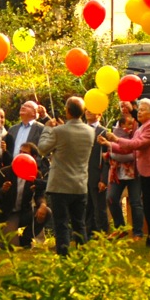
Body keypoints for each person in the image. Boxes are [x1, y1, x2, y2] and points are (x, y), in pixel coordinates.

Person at [102, 99, 150, 246]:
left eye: (143, 109)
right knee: (149, 207)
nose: (139, 112)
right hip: (147, 172)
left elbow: (137, 144)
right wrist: (109, 144)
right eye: (139, 109)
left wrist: (116, 138)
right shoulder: (141, 128)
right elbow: (129, 149)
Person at [37, 97, 95, 256]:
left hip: (60, 185)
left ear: (67, 111)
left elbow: (42, 149)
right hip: (80, 185)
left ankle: (63, 256)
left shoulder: (58, 131)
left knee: (61, 223)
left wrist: (47, 129)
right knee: (79, 223)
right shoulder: (90, 131)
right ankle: (84, 256)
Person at [0, 142, 47, 249]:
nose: (21, 155)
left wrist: (43, 205)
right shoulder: (6, 172)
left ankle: (26, 239)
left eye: (25, 153)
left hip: (23, 213)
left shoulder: (36, 174)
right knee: (11, 247)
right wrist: (2, 190)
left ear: (34, 157)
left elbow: (39, 195)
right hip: (7, 214)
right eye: (20, 152)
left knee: (47, 212)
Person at [104, 113, 145, 241]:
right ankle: (120, 228)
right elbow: (116, 155)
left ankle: (137, 232)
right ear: (121, 125)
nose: (131, 127)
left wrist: (117, 152)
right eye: (128, 124)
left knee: (136, 202)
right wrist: (120, 152)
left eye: (132, 124)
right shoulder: (113, 135)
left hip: (134, 173)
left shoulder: (137, 133)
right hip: (117, 173)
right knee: (111, 198)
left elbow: (135, 153)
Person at [84, 109, 110, 237]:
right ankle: (88, 235)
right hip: (82, 176)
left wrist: (104, 179)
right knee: (86, 207)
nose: (88, 112)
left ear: (99, 114)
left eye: (92, 109)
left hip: (96, 175)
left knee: (99, 208)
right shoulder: (81, 130)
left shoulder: (104, 132)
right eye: (86, 109)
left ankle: (103, 234)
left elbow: (107, 159)